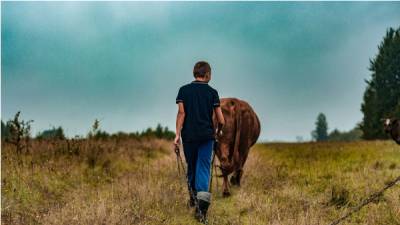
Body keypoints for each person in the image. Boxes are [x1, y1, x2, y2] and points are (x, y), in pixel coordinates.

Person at [174, 61, 225, 223]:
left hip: (188, 137)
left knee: (192, 166)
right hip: (206, 137)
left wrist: (177, 135)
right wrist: (218, 131)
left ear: (194, 73)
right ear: (208, 74)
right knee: (203, 168)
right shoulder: (212, 92)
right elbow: (221, 119)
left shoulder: (183, 90)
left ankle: (193, 198)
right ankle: (201, 211)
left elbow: (181, 113)